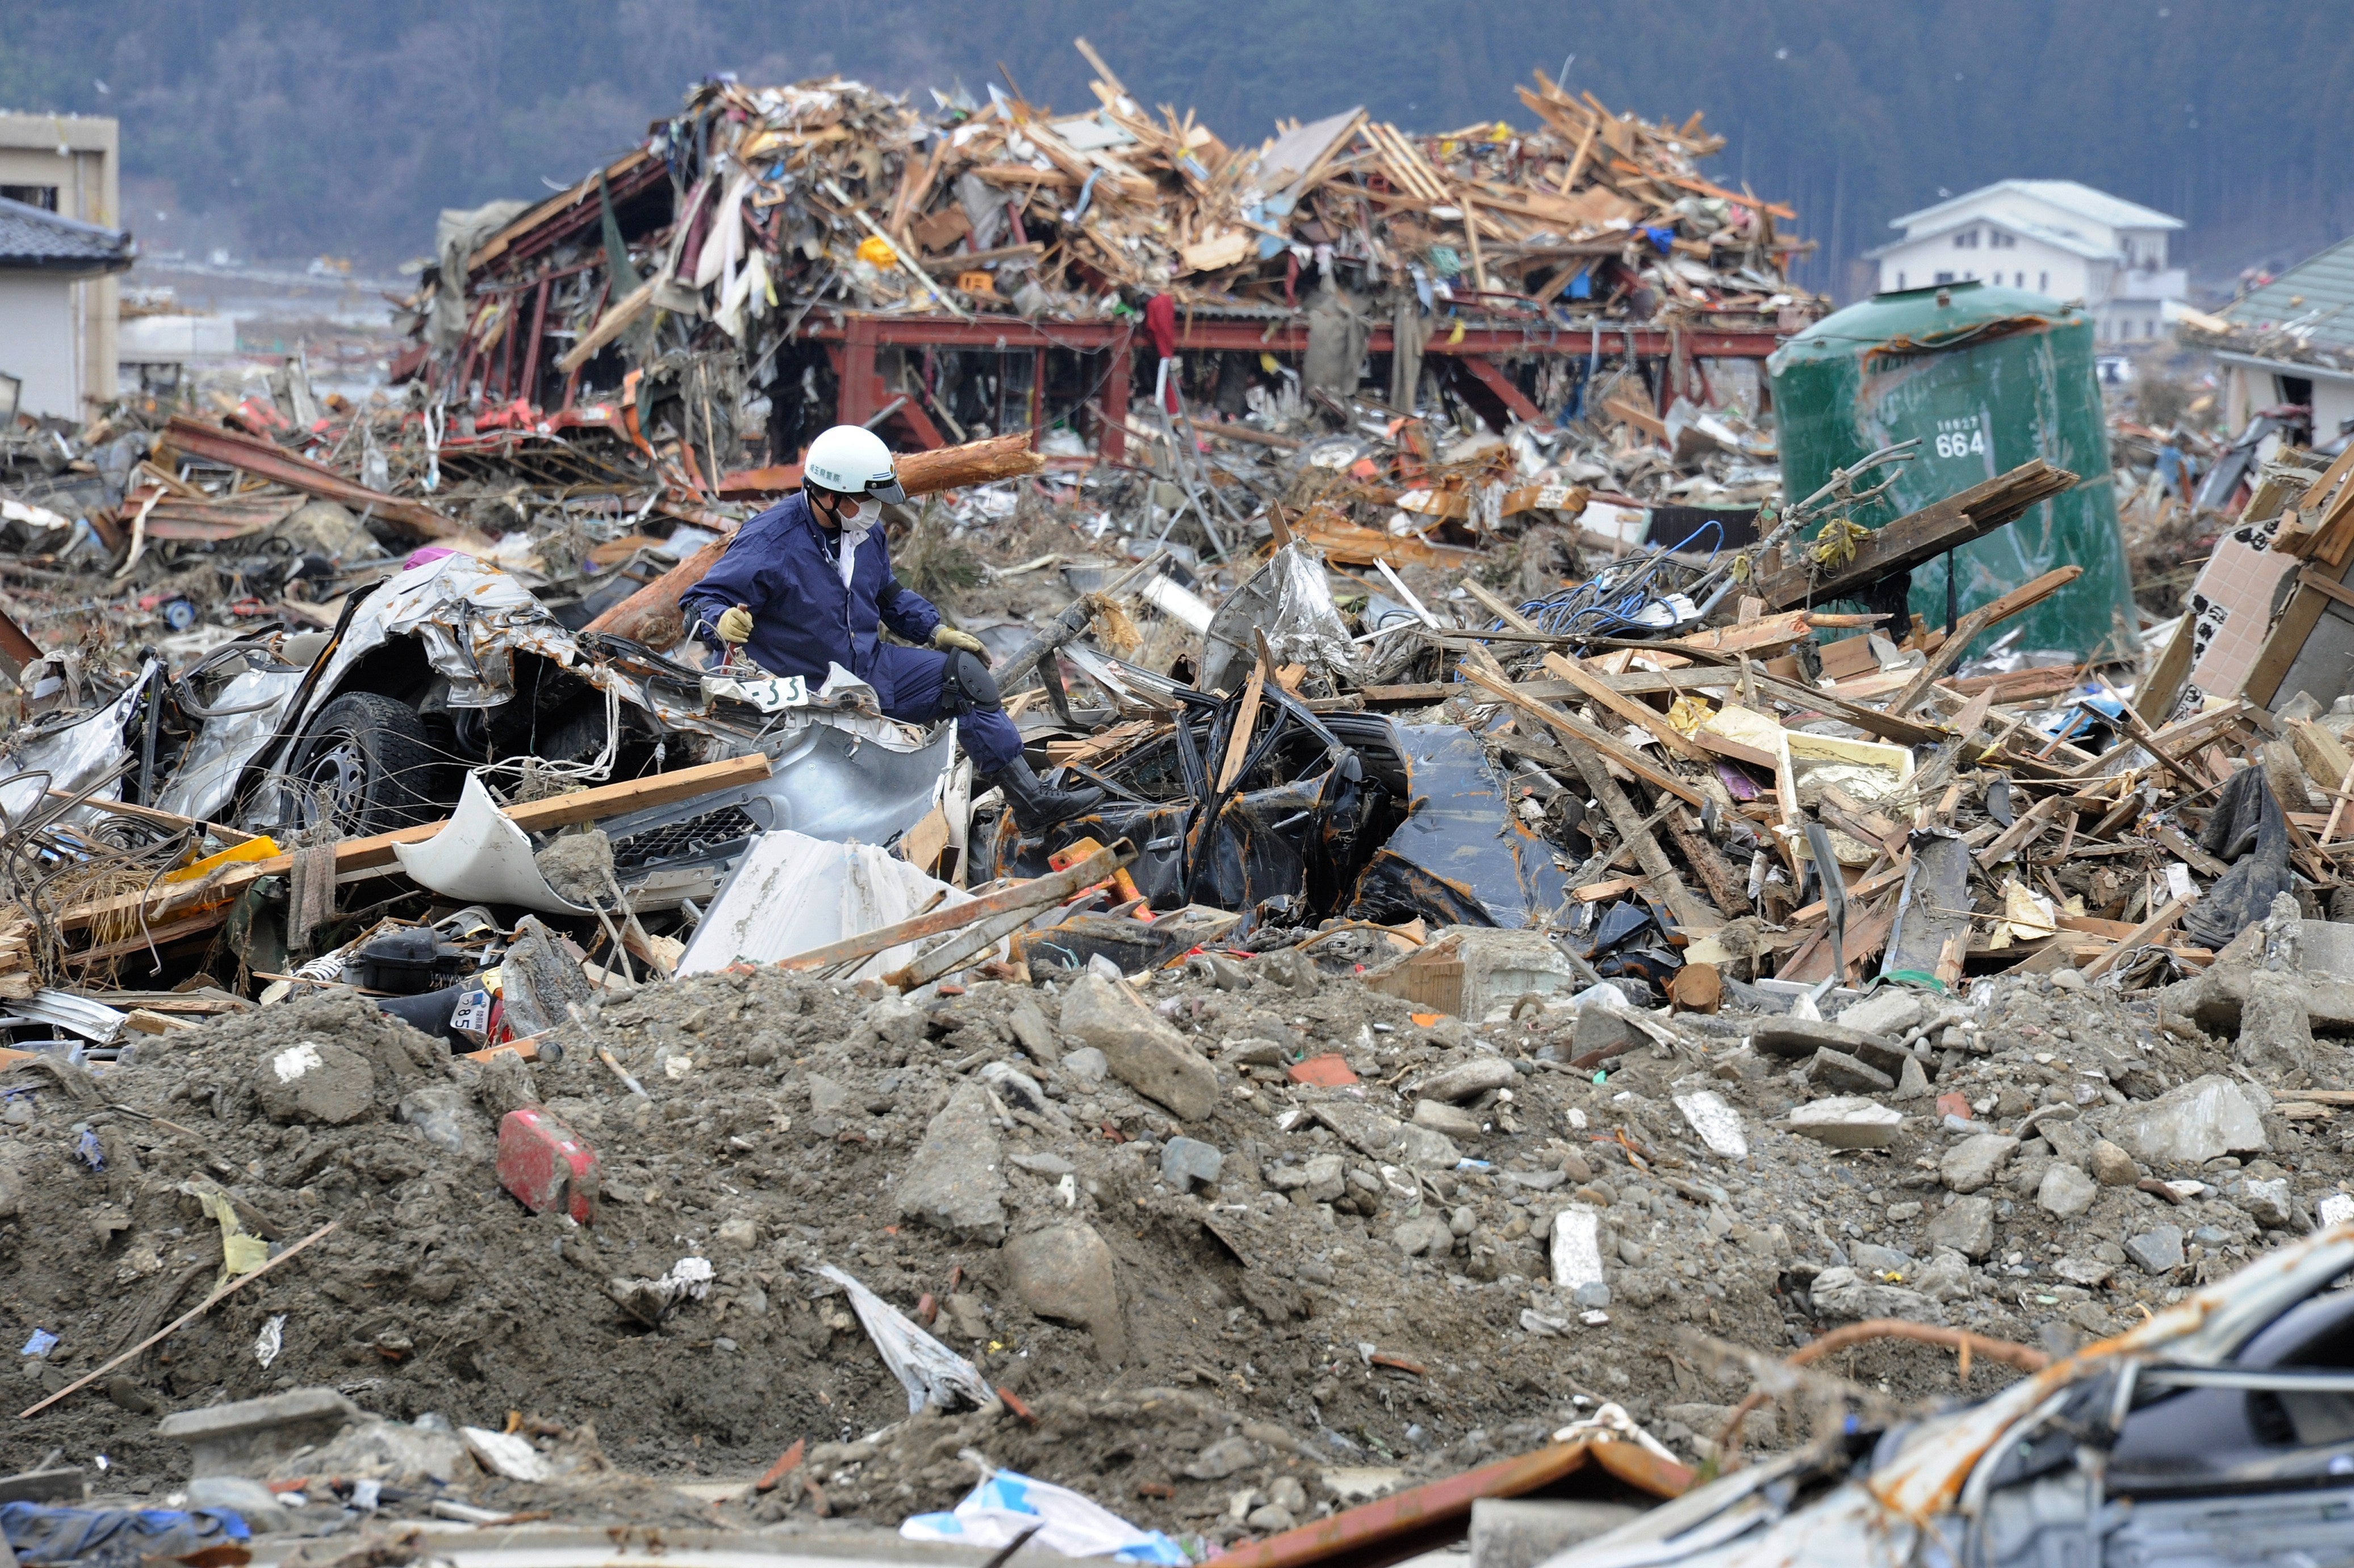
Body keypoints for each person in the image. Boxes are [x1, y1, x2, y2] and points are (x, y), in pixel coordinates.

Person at [679, 424, 1101, 830]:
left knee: (963, 676)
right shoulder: (770, 541)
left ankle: (1031, 803)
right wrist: (719, 619)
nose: (874, 508)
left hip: (865, 670)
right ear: (826, 494)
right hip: (801, 690)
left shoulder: (864, 531)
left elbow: (887, 597)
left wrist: (934, 631)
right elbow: (698, 602)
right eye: (864, 497)